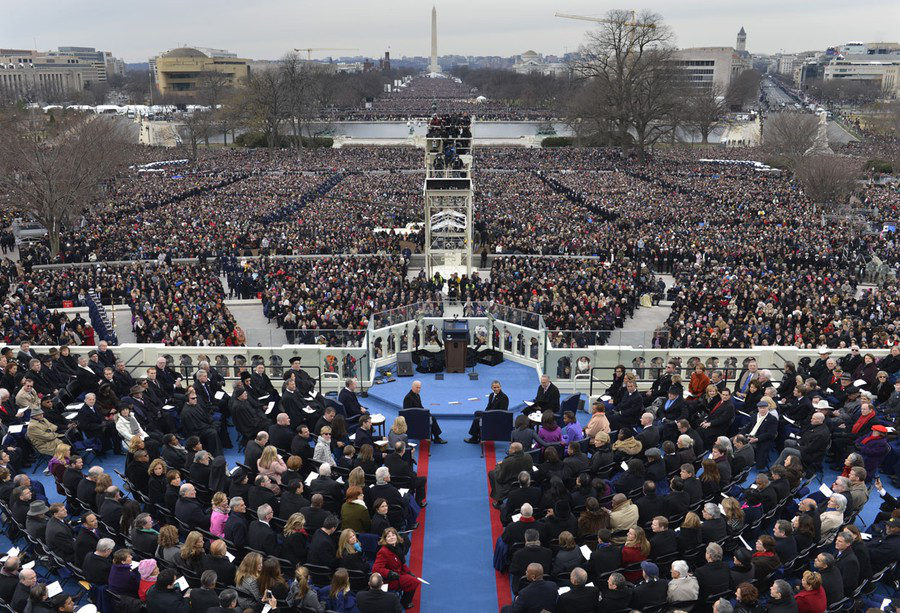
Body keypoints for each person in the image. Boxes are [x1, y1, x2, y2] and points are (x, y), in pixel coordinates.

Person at [372, 527, 419, 609]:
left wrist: (408, 572)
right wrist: (389, 573)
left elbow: (402, 563)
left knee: (413, 577)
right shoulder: (383, 552)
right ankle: (405, 602)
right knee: (414, 582)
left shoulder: (397, 547)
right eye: (389, 536)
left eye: (393, 535)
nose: (392, 537)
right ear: (385, 539)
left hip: (398, 573)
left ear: (397, 536)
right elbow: (376, 569)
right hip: (390, 579)